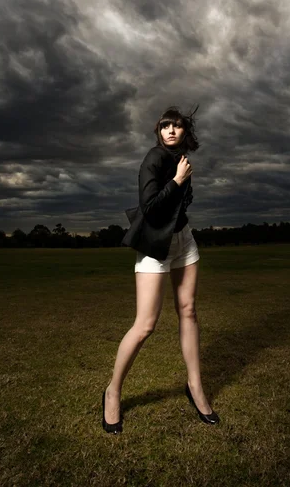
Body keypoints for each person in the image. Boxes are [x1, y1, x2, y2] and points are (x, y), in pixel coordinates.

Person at [102, 106, 219, 434]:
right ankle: (112, 391)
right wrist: (178, 180)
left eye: (177, 126)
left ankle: (195, 387)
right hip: (155, 246)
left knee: (189, 311)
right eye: (165, 125)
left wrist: (184, 182)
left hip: (184, 242)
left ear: (184, 132)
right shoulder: (153, 160)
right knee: (145, 325)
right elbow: (150, 208)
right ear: (158, 131)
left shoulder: (182, 159)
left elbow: (183, 202)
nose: (170, 130)